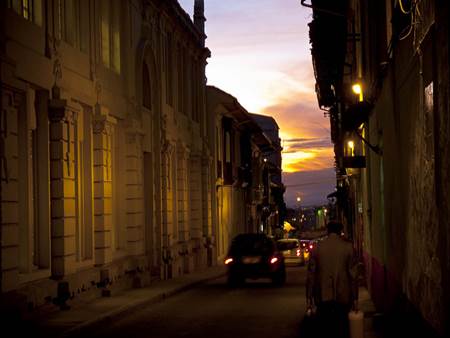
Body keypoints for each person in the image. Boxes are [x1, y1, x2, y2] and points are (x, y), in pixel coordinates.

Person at [306, 220, 359, 338]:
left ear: (327, 231)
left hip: (322, 296)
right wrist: (355, 298)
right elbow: (353, 275)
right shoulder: (348, 248)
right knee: (342, 329)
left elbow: (311, 275)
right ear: (340, 231)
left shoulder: (317, 248)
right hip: (343, 296)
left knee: (325, 329)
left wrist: (309, 297)